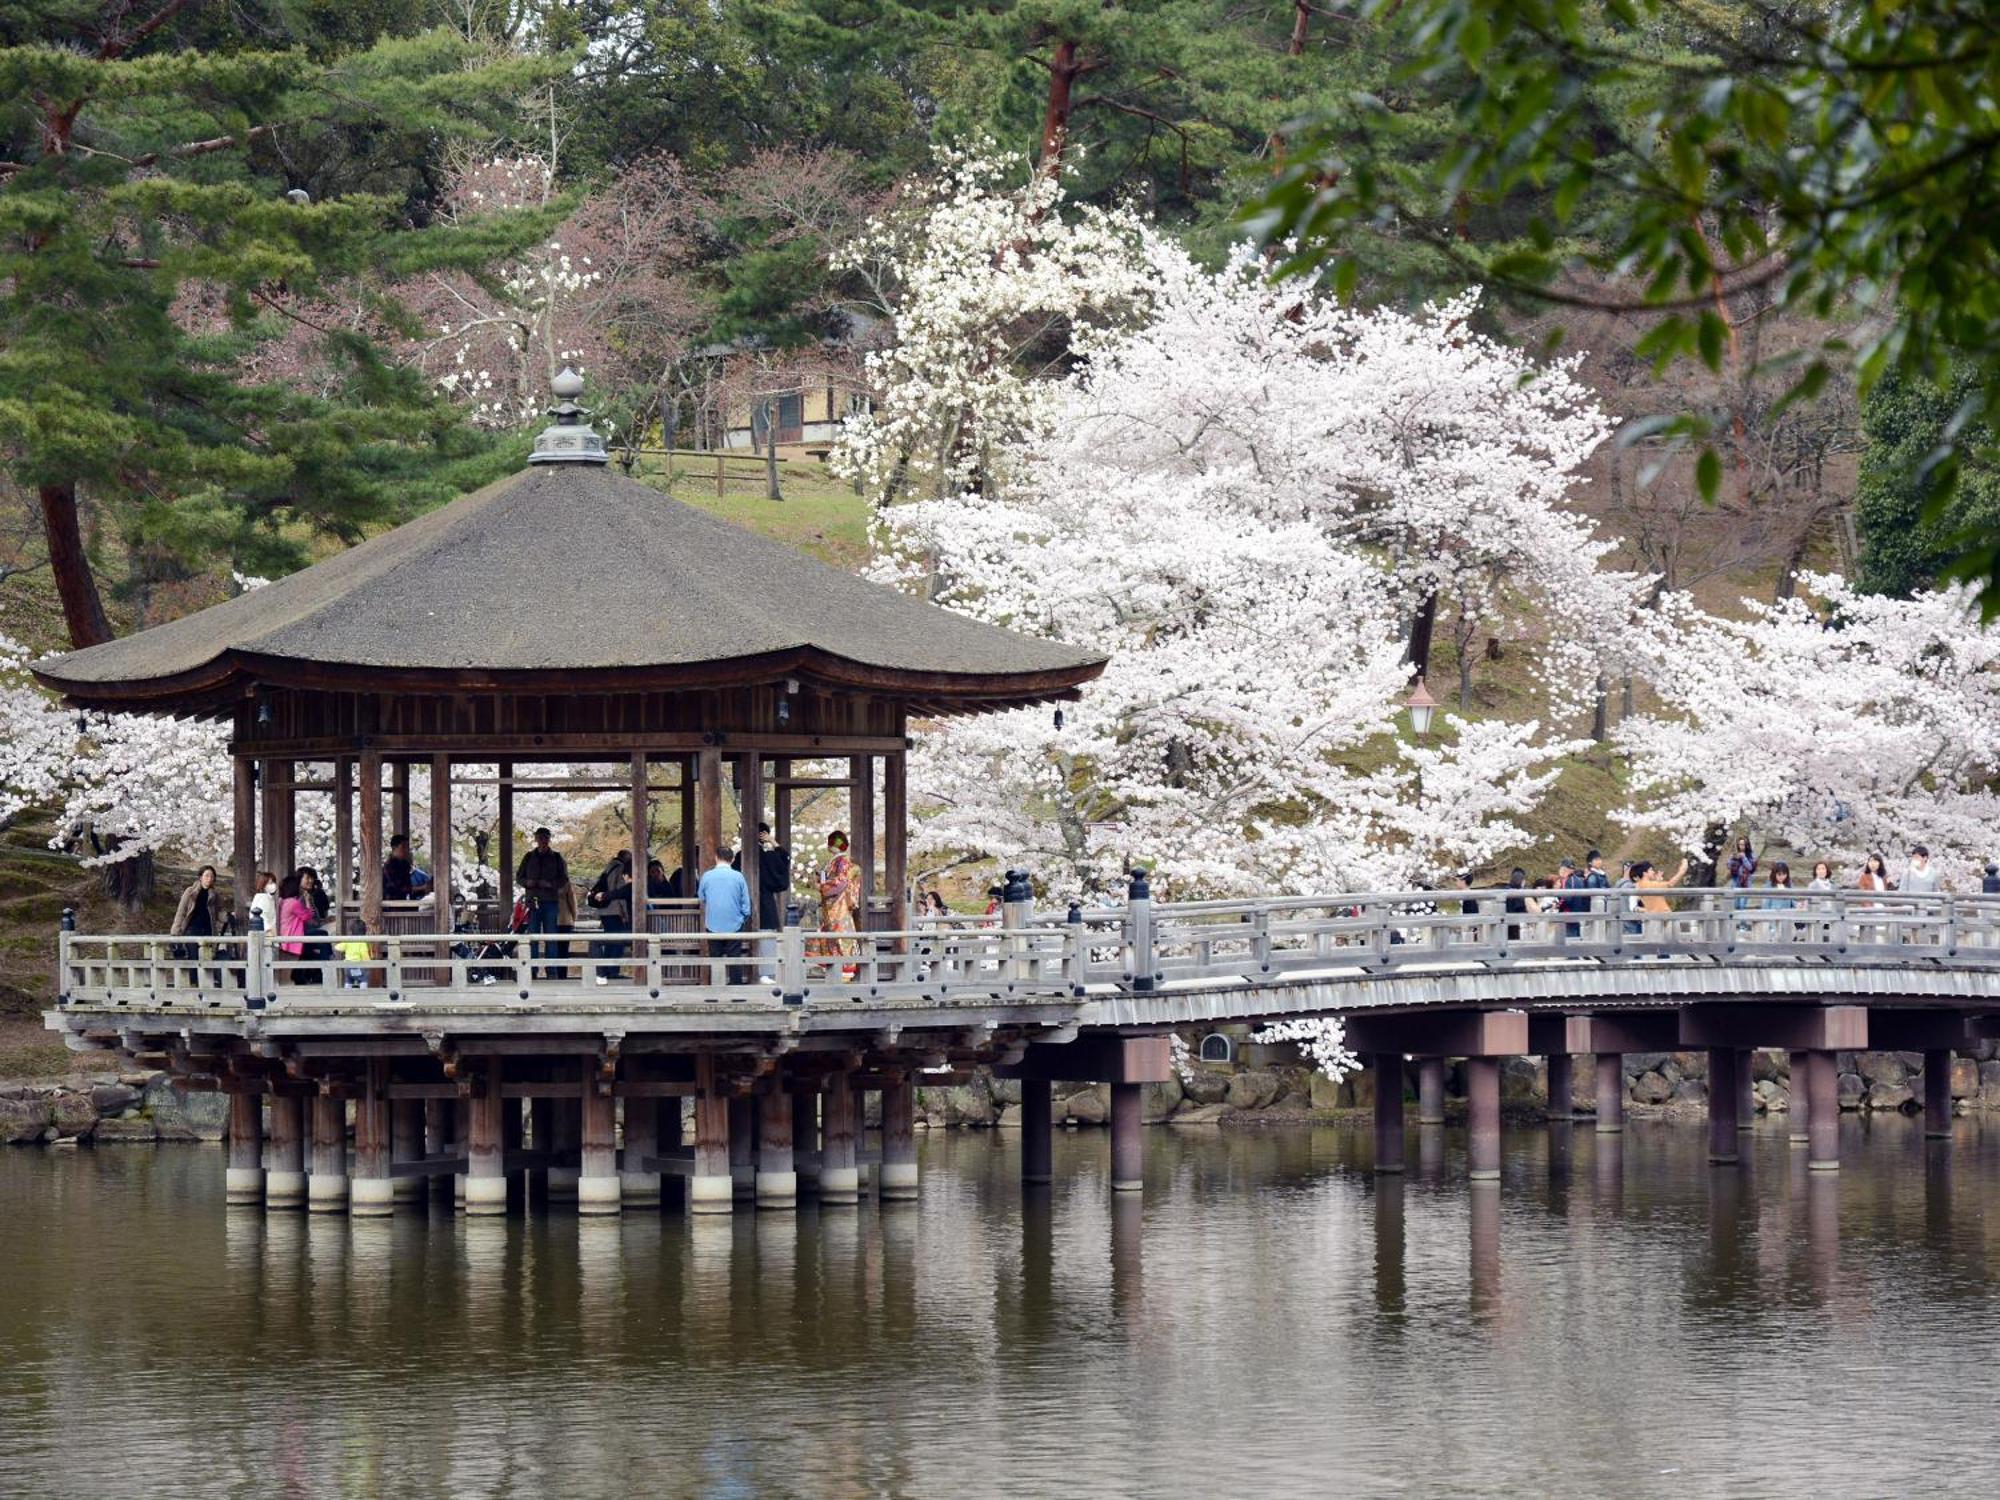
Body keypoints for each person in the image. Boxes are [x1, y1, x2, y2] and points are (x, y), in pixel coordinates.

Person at [516, 827, 569, 979]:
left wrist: (550, 884)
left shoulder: (557, 858)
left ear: (549, 839)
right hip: (532, 902)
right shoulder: (528, 857)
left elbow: (564, 879)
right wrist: (528, 882)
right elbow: (519, 877)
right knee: (532, 937)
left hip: (550, 901)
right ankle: (532, 971)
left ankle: (551, 971)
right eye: (540, 837)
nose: (542, 840)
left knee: (551, 937)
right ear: (536, 839)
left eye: (545, 837)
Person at [698, 843, 752, 986]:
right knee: (735, 958)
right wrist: (743, 918)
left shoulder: (707, 876)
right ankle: (736, 991)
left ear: (716, 858)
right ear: (732, 859)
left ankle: (716, 989)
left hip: (712, 923)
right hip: (734, 923)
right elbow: (746, 904)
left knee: (715, 957)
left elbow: (701, 897)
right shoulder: (738, 877)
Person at [809, 830, 862, 977]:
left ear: (833, 845)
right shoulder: (837, 861)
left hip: (839, 904)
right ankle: (835, 967)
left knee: (840, 933)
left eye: (829, 843)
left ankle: (845, 969)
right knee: (832, 933)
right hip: (833, 904)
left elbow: (841, 881)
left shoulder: (842, 861)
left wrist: (822, 886)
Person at [587, 850, 634, 985]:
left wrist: (603, 896)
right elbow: (619, 891)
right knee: (615, 942)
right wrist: (623, 912)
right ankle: (612, 971)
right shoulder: (620, 869)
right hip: (615, 911)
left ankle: (604, 973)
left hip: (606, 911)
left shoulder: (608, 868)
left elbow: (615, 891)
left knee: (608, 941)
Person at [170, 864, 220, 983]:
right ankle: (194, 985)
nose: (209, 879)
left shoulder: (214, 895)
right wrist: (175, 931)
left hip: (208, 930)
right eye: (207, 876)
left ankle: (206, 985)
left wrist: (228, 916)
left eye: (212, 876)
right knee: (194, 958)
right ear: (200, 877)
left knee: (207, 959)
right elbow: (181, 911)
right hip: (192, 929)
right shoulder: (190, 891)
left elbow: (219, 912)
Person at [1633, 856, 1689, 953]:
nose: (1653, 872)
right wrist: (1682, 871)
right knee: (1671, 949)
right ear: (1644, 873)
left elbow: (1652, 897)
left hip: (1654, 919)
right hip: (1663, 917)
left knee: (1654, 951)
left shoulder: (1640, 885)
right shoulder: (1649, 885)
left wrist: (1657, 881)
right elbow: (1670, 884)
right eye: (1651, 870)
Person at [278, 873, 318, 985]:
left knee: (283, 967)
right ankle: (285, 986)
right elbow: (307, 916)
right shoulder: (294, 903)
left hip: (283, 936)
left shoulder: (282, 901)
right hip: (292, 938)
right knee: (288, 967)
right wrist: (307, 901)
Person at [1857, 851, 1893, 944]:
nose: (1872, 864)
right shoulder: (1864, 877)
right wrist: (1868, 908)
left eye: (1875, 861)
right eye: (1870, 861)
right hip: (1869, 909)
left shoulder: (1883, 878)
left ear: (1880, 863)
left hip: (1882, 909)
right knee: (1869, 936)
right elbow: (1862, 894)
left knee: (1881, 936)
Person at [336, 920, 372, 989]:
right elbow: (364, 955)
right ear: (364, 930)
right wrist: (369, 963)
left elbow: (338, 947)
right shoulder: (362, 943)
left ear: (351, 930)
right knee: (363, 978)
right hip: (359, 968)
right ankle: (363, 992)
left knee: (348, 980)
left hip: (348, 968)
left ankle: (347, 992)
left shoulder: (348, 941)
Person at [382, 834, 416, 901]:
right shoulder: (389, 866)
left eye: (407, 847)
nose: (406, 850)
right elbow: (396, 888)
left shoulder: (405, 864)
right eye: (403, 847)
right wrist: (421, 888)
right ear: (394, 848)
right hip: (391, 905)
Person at [1726, 835, 1757, 908]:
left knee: (1742, 905)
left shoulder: (1751, 855)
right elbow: (1729, 866)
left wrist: (1744, 858)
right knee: (1735, 905)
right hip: (1736, 880)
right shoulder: (1734, 854)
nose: (1742, 846)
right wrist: (1733, 859)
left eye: (1743, 844)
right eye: (1740, 844)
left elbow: (1750, 868)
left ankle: (1743, 919)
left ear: (1747, 845)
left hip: (1746, 882)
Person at [249, 870, 280, 940]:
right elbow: (263, 916)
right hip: (266, 936)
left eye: (273, 882)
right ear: (263, 885)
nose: (273, 885)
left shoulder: (262, 897)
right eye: (270, 883)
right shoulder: (264, 898)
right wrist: (269, 931)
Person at [1503, 867, 1528, 943]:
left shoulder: (1505, 890)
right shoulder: (1521, 893)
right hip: (1517, 928)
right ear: (1522, 881)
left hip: (1504, 926)